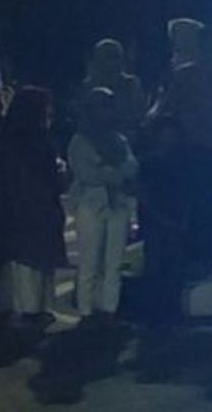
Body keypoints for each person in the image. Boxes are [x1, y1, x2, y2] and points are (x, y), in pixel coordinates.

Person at [155, 26, 212, 271]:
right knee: (194, 207)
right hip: (191, 151)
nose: (211, 50)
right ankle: (193, 257)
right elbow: (170, 108)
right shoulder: (184, 76)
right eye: (207, 44)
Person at [0, 87, 67, 326]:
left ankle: (29, 307)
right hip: (33, 206)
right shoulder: (36, 140)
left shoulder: (6, 137)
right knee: (33, 260)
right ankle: (33, 309)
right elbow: (46, 176)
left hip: (16, 206)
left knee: (26, 260)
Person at [69, 87, 139, 322]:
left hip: (117, 205)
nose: (106, 111)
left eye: (109, 105)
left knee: (114, 262)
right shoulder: (80, 140)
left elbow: (132, 166)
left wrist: (108, 171)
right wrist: (114, 173)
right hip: (91, 204)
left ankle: (110, 310)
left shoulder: (119, 139)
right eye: (101, 106)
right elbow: (86, 173)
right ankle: (86, 312)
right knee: (89, 262)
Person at [138, 116, 207, 328]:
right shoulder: (149, 162)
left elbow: (188, 193)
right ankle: (154, 313)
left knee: (174, 268)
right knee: (156, 267)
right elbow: (144, 195)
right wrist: (162, 219)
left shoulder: (182, 161)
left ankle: (171, 311)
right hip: (157, 222)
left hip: (176, 220)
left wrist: (183, 218)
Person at [77, 40, 147, 139]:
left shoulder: (131, 84)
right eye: (108, 56)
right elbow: (84, 117)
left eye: (116, 56)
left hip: (128, 133)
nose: (113, 61)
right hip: (95, 137)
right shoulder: (88, 86)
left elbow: (138, 114)